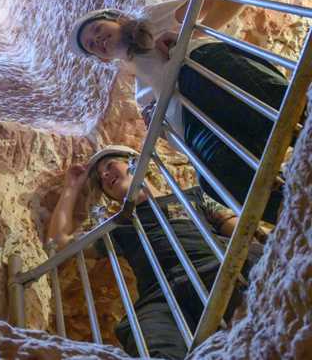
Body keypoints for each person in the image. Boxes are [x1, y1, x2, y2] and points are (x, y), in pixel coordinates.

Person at [69, 0, 287, 224]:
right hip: (201, 124)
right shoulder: (141, 92)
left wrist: (189, 38)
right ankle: (293, 210)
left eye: (97, 29)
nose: (98, 40)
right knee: (212, 180)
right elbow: (175, 133)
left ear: (119, 20)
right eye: (91, 45)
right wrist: (159, 126)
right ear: (103, 59)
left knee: (197, 80)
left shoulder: (149, 18)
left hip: (209, 74)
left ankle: (299, 119)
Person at [47, 145, 264, 360]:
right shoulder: (118, 228)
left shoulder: (190, 197)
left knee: (258, 296)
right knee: (147, 341)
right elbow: (58, 244)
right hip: (161, 298)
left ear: (135, 162)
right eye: (100, 179)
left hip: (216, 270)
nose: (104, 175)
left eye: (110, 165)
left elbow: (243, 233)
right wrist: (71, 188)